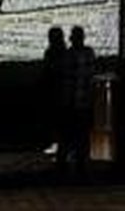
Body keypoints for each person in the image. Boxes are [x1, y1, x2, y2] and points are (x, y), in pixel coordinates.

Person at [59, 26, 95, 174]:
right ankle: (80, 162)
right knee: (81, 134)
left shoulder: (68, 55)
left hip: (73, 100)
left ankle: (66, 163)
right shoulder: (88, 53)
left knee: (69, 134)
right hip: (83, 100)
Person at [41, 26, 67, 157]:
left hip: (57, 92)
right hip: (62, 92)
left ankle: (58, 145)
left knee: (57, 122)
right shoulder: (65, 53)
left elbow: (47, 71)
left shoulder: (51, 53)